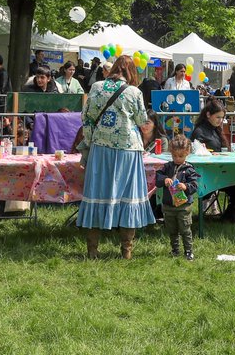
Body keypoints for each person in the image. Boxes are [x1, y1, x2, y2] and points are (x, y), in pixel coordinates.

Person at [77, 54, 154, 260]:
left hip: (101, 148)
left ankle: (92, 250)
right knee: (128, 196)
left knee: (97, 193)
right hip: (128, 149)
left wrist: (91, 141)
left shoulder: (96, 87)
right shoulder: (134, 92)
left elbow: (86, 118)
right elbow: (142, 120)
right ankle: (126, 250)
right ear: (131, 72)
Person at [155, 134, 199, 260]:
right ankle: (175, 250)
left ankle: (189, 251)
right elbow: (158, 179)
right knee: (172, 229)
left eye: (181, 156)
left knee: (185, 229)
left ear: (187, 153)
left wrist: (185, 186)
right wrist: (165, 179)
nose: (177, 158)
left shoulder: (189, 169)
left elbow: (194, 185)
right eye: (174, 156)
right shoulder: (167, 167)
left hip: (184, 206)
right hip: (169, 205)